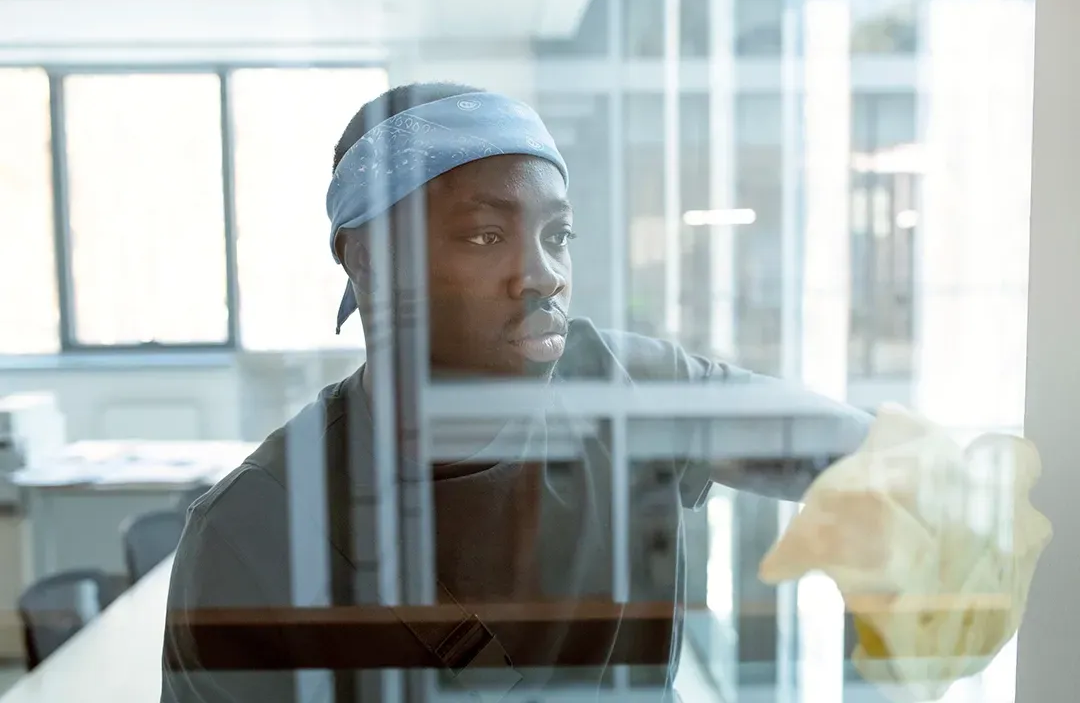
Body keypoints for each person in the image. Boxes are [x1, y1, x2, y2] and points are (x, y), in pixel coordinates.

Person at [161, 82, 872, 702]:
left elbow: (875, 458)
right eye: (484, 235)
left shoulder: (626, 391)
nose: (542, 275)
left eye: (556, 234)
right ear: (369, 260)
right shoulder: (255, 528)